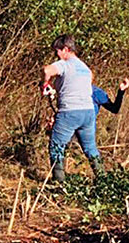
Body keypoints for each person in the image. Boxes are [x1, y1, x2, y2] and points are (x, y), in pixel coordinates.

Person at [42, 35, 103, 183]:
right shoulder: (86, 69)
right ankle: (103, 180)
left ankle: (59, 183)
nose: (57, 55)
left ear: (66, 50)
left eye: (58, 51)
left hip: (70, 112)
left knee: (56, 145)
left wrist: (45, 85)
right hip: (88, 112)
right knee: (90, 148)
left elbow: (47, 70)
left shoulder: (65, 64)